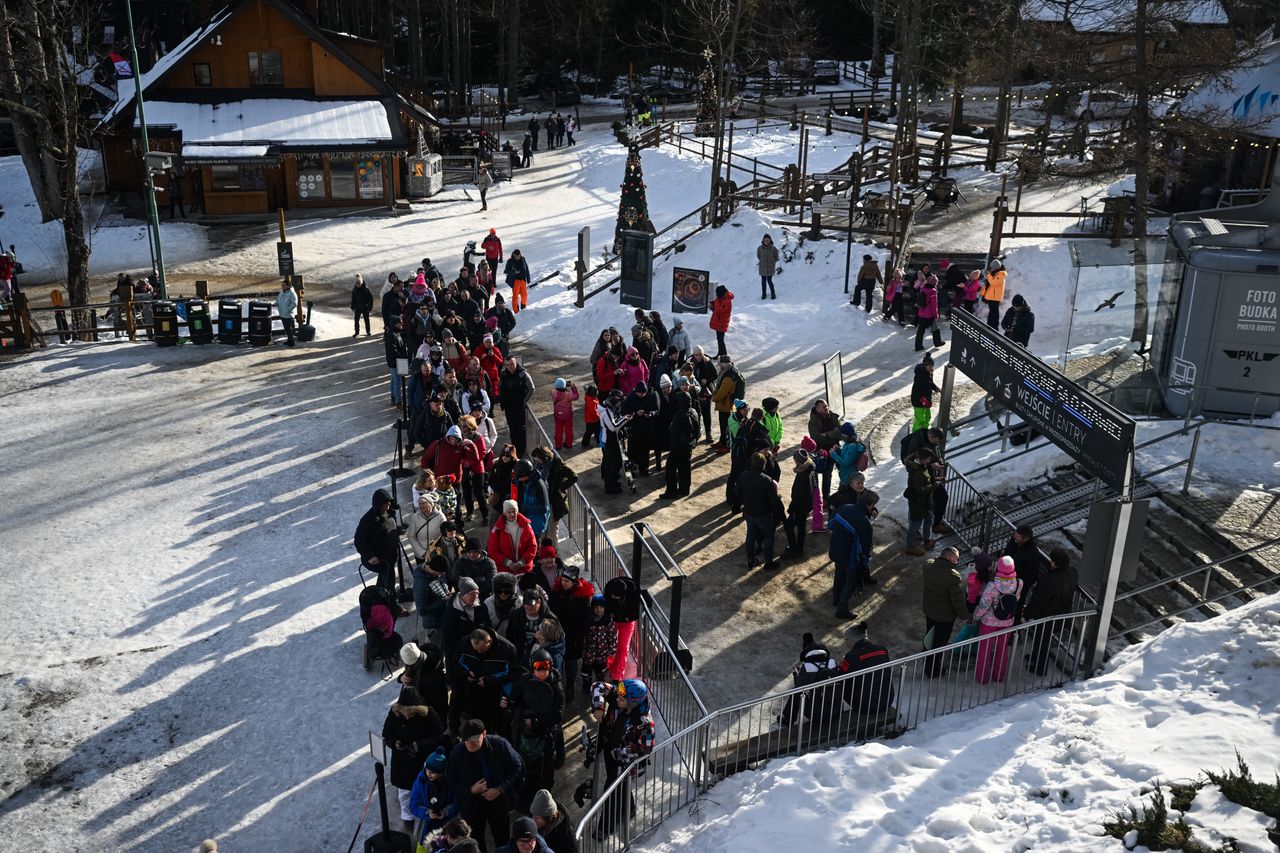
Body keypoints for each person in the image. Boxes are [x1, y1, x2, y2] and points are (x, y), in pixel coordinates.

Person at [446, 719, 524, 853]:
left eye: (474, 740)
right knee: (476, 841)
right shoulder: (457, 754)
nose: (470, 744)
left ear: (484, 734)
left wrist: (500, 788)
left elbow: (517, 767)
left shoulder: (499, 744)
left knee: (502, 839)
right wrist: (470, 790)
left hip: (498, 802)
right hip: (472, 806)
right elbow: (451, 782)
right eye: (466, 741)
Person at [384, 685, 447, 827]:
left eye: (410, 713)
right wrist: (394, 743)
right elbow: (387, 733)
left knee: (423, 790)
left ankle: (424, 813)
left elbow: (438, 735)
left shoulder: (429, 714)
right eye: (404, 713)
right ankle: (408, 817)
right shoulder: (395, 714)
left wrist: (419, 745)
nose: (406, 716)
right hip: (402, 760)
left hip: (421, 759)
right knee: (404, 792)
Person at [511, 648, 564, 799]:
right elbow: (515, 699)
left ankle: (546, 794)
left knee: (546, 767)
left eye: (545, 669)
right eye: (538, 669)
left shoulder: (556, 686)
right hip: (524, 732)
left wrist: (535, 722)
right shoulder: (523, 681)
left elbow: (558, 714)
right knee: (525, 763)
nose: (542, 673)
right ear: (531, 667)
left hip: (546, 732)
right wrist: (510, 706)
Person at [1023, 547, 1079, 675]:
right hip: (1063, 613)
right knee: (1042, 639)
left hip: (1046, 617)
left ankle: (1040, 667)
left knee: (1042, 641)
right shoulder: (1072, 572)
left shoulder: (1049, 580)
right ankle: (1035, 657)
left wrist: (1027, 614)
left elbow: (1038, 601)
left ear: (1054, 563)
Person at [837, 622, 895, 734]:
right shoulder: (882, 650)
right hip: (886, 700)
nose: (846, 643)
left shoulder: (851, 656)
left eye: (846, 640)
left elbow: (841, 676)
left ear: (852, 640)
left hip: (863, 706)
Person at [828, 490, 877, 618]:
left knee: (839, 573)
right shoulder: (864, 522)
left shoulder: (844, 507)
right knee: (851, 580)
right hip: (850, 556)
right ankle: (842, 608)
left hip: (836, 548)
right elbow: (865, 548)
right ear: (869, 505)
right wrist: (864, 562)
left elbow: (831, 524)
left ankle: (836, 598)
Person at [974, 555, 1023, 684]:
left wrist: (976, 617)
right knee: (1002, 648)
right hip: (1007, 621)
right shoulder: (1019, 583)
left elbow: (984, 605)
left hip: (989, 622)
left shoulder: (992, 586)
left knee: (985, 649)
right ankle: (998, 676)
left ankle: (982, 677)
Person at [548, 563, 594, 702]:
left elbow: (584, 621)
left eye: (566, 581)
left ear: (574, 582)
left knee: (571, 661)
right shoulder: (556, 591)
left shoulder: (582, 598)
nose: (563, 583)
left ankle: (570, 684)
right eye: (562, 580)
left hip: (573, 635)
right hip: (557, 633)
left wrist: (578, 638)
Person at [921, 546, 969, 676]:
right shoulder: (953, 577)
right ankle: (933, 670)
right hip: (944, 617)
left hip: (930, 611)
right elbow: (957, 601)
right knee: (939, 643)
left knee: (929, 637)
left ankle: (926, 660)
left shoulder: (928, 566)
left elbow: (929, 562)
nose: (957, 562)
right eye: (957, 559)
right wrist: (965, 615)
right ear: (950, 558)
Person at [777, 632, 841, 726]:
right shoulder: (832, 662)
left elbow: (799, 687)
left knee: (796, 692)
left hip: (816, 715)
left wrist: (797, 676)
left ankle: (787, 719)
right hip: (836, 712)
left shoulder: (807, 666)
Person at [738, 452, 781, 570]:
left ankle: (751, 560)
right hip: (764, 514)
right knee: (768, 537)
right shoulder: (767, 481)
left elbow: (739, 494)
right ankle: (768, 562)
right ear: (764, 465)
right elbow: (773, 501)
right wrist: (774, 512)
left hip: (749, 512)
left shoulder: (743, 476)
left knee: (750, 535)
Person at [355, 488, 401, 593]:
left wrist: (397, 530)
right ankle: (389, 603)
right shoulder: (368, 520)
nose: (388, 505)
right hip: (380, 560)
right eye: (385, 503)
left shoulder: (389, 512)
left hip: (390, 556)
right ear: (379, 504)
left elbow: (390, 526)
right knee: (388, 585)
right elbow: (359, 541)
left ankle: (381, 600)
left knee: (384, 582)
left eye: (389, 503)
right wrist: (370, 556)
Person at [658, 381, 698, 499]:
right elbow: (697, 430)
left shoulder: (679, 415)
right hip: (688, 446)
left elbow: (673, 431)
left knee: (671, 467)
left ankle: (671, 491)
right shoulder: (693, 412)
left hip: (677, 446)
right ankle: (684, 489)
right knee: (685, 467)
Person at [409, 747, 458, 840]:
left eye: (432, 772)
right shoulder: (420, 782)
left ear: (441, 772)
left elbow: (457, 803)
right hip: (426, 828)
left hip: (446, 827)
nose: (428, 774)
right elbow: (413, 806)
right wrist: (427, 813)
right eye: (426, 770)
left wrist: (445, 813)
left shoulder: (450, 783)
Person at [904, 447, 942, 556]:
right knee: (915, 525)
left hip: (925, 503)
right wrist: (934, 486)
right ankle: (910, 546)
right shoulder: (917, 472)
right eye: (929, 459)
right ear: (923, 459)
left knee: (929, 519)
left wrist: (935, 481)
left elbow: (927, 480)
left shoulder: (922, 466)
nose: (930, 461)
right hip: (918, 503)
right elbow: (920, 490)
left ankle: (927, 540)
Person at [400, 642, 450, 724]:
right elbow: (407, 673)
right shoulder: (423, 656)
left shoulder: (427, 675)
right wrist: (401, 677)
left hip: (433, 704)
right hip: (433, 700)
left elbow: (438, 702)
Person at [487, 499, 538, 577]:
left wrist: (521, 563)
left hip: (524, 568)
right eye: (509, 512)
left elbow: (533, 546)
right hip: (505, 570)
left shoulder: (526, 526)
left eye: (514, 511)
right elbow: (492, 551)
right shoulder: (497, 529)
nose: (512, 514)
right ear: (504, 513)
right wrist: (509, 563)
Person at [498, 357, 535, 455]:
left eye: (512, 364)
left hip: (520, 408)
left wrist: (524, 401)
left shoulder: (523, 374)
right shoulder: (504, 375)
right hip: (509, 408)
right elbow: (500, 388)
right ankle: (514, 449)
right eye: (508, 365)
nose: (510, 366)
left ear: (516, 363)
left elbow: (531, 388)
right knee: (512, 430)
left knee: (521, 431)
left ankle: (521, 452)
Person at [1002, 523, 1045, 607]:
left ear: (1025, 539)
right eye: (1015, 534)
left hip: (1017, 585)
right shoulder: (1014, 541)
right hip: (1006, 578)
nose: (1014, 536)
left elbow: (1030, 576)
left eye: (1017, 536)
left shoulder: (1033, 554)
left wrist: (1017, 586)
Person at [783, 449, 816, 556]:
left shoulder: (802, 475)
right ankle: (799, 548)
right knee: (801, 526)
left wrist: (791, 509)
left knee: (788, 526)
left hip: (800, 507)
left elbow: (798, 496)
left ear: (798, 460)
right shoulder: (809, 469)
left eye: (794, 458)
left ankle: (794, 549)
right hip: (806, 504)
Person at [709, 355, 743, 452]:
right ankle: (722, 441)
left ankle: (727, 446)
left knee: (727, 426)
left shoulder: (728, 376)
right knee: (723, 424)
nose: (719, 365)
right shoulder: (730, 370)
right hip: (725, 403)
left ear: (724, 364)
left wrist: (714, 398)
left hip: (726, 404)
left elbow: (722, 392)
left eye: (720, 364)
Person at [529, 789, 576, 853]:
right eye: (533, 816)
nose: (533, 820)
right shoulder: (537, 824)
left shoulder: (566, 834)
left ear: (548, 818)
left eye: (537, 818)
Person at [513, 460, 551, 539]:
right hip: (525, 521)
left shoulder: (539, 485)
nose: (520, 479)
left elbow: (544, 508)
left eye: (522, 477)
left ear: (528, 474)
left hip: (535, 525)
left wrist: (523, 507)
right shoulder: (522, 482)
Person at [910, 353, 939, 434]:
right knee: (920, 419)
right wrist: (924, 400)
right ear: (925, 366)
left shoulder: (928, 373)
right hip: (919, 400)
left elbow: (930, 383)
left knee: (927, 417)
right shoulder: (920, 375)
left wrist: (935, 388)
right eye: (930, 366)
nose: (932, 368)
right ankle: (915, 434)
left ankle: (925, 432)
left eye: (932, 366)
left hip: (926, 400)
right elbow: (922, 387)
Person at [913, 274, 944, 351]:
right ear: (934, 283)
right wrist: (936, 315)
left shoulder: (923, 289)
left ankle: (918, 346)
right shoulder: (933, 292)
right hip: (930, 314)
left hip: (921, 313)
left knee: (920, 330)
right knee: (935, 329)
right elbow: (934, 305)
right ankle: (937, 342)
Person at [385, 316, 410, 407]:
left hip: (397, 361)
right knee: (397, 381)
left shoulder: (397, 333)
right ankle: (398, 402)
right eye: (400, 323)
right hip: (395, 362)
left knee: (393, 380)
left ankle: (394, 398)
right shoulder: (391, 334)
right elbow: (393, 350)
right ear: (395, 324)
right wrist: (402, 357)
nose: (402, 324)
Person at [551, 378, 579, 450]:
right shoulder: (568, 395)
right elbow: (576, 396)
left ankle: (558, 446)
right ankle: (568, 444)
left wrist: (562, 385)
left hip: (558, 415)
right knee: (568, 430)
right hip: (567, 416)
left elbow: (556, 389)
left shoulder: (554, 392)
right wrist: (573, 387)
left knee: (558, 431)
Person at [980, 258, 1006, 329]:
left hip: (995, 296)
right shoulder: (995, 274)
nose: (990, 268)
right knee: (992, 311)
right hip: (992, 295)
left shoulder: (1001, 274)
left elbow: (993, 283)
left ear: (995, 268)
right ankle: (990, 325)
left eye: (991, 267)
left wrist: (989, 275)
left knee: (994, 311)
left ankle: (994, 326)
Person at [709, 284, 733, 356]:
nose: (716, 295)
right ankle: (720, 353)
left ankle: (724, 355)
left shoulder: (727, 301)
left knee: (721, 340)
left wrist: (715, 304)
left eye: (717, 294)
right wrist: (713, 305)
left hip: (722, 323)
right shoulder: (721, 299)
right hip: (719, 322)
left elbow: (719, 310)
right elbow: (717, 308)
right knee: (719, 339)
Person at [275, 278, 298, 346]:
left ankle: (291, 342)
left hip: (288, 314)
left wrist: (287, 310)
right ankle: (289, 340)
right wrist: (276, 303)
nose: (282, 286)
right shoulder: (282, 291)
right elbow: (278, 299)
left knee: (289, 329)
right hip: (282, 313)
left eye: (284, 285)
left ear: (288, 286)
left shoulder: (292, 293)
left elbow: (294, 303)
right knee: (286, 329)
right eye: (282, 285)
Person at [756, 234, 779, 299]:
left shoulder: (773, 248)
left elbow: (776, 257)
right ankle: (764, 294)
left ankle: (773, 293)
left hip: (770, 268)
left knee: (769, 281)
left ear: (770, 240)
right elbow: (758, 256)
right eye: (765, 240)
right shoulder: (760, 248)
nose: (766, 241)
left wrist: (772, 262)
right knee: (763, 281)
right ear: (763, 240)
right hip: (762, 267)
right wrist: (762, 261)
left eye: (768, 240)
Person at [581, 384, 601, 449]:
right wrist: (599, 417)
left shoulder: (588, 397)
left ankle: (585, 444)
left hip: (589, 419)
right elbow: (593, 412)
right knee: (597, 431)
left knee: (589, 432)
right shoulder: (592, 401)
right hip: (593, 420)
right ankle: (599, 442)